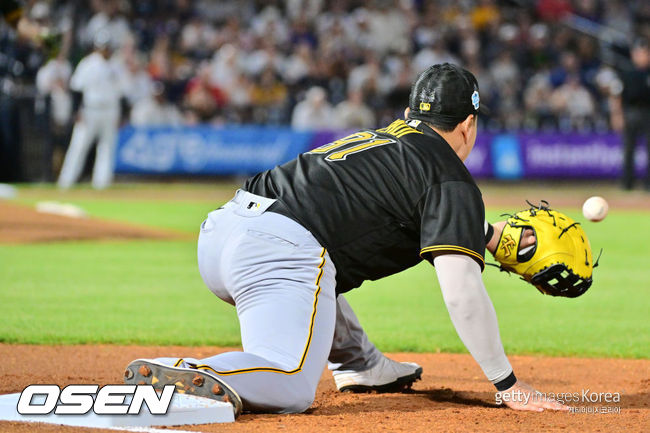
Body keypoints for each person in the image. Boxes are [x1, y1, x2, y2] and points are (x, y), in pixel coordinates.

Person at [125, 64, 567, 416]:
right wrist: (507, 384)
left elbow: (404, 205)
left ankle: (361, 365)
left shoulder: (387, 140)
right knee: (291, 382)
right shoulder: (450, 177)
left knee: (321, 275)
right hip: (277, 250)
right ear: (469, 125)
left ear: (412, 114)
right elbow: (461, 292)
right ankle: (184, 372)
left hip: (224, 231)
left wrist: (491, 237)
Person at [57, 30, 123, 190]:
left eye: (108, 47)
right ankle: (66, 182)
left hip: (110, 110)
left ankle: (102, 183)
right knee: (79, 146)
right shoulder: (87, 64)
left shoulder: (116, 65)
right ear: (97, 47)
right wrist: (76, 111)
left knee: (107, 148)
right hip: (90, 110)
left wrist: (120, 113)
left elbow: (121, 93)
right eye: (103, 46)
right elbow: (76, 89)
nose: (106, 50)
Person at [615, 38, 650, 190]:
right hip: (631, 112)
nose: (640, 56)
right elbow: (618, 95)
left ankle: (648, 184)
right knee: (628, 149)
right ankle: (627, 184)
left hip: (648, 113)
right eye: (638, 53)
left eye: (644, 53)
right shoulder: (627, 72)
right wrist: (617, 115)